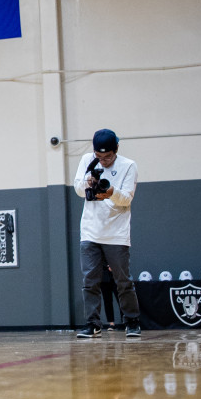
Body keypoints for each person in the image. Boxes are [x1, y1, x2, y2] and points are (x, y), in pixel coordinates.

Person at [74, 129, 141, 339]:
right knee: (89, 281)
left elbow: (127, 199)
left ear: (116, 149)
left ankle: (132, 321)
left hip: (116, 233)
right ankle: (92, 324)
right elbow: (78, 189)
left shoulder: (128, 165)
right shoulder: (87, 160)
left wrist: (111, 192)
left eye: (108, 157)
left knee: (123, 281)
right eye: (99, 157)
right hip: (90, 231)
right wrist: (88, 182)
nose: (103, 161)